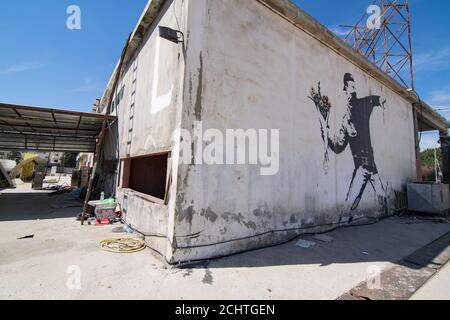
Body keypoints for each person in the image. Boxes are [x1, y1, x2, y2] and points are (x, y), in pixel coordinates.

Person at [311, 73, 388, 212]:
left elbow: (379, 99)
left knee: (379, 203)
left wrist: (382, 102)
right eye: (349, 87)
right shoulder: (346, 121)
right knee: (349, 207)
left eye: (353, 87)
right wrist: (326, 134)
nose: (351, 91)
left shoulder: (363, 104)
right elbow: (338, 147)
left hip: (372, 167)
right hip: (362, 169)